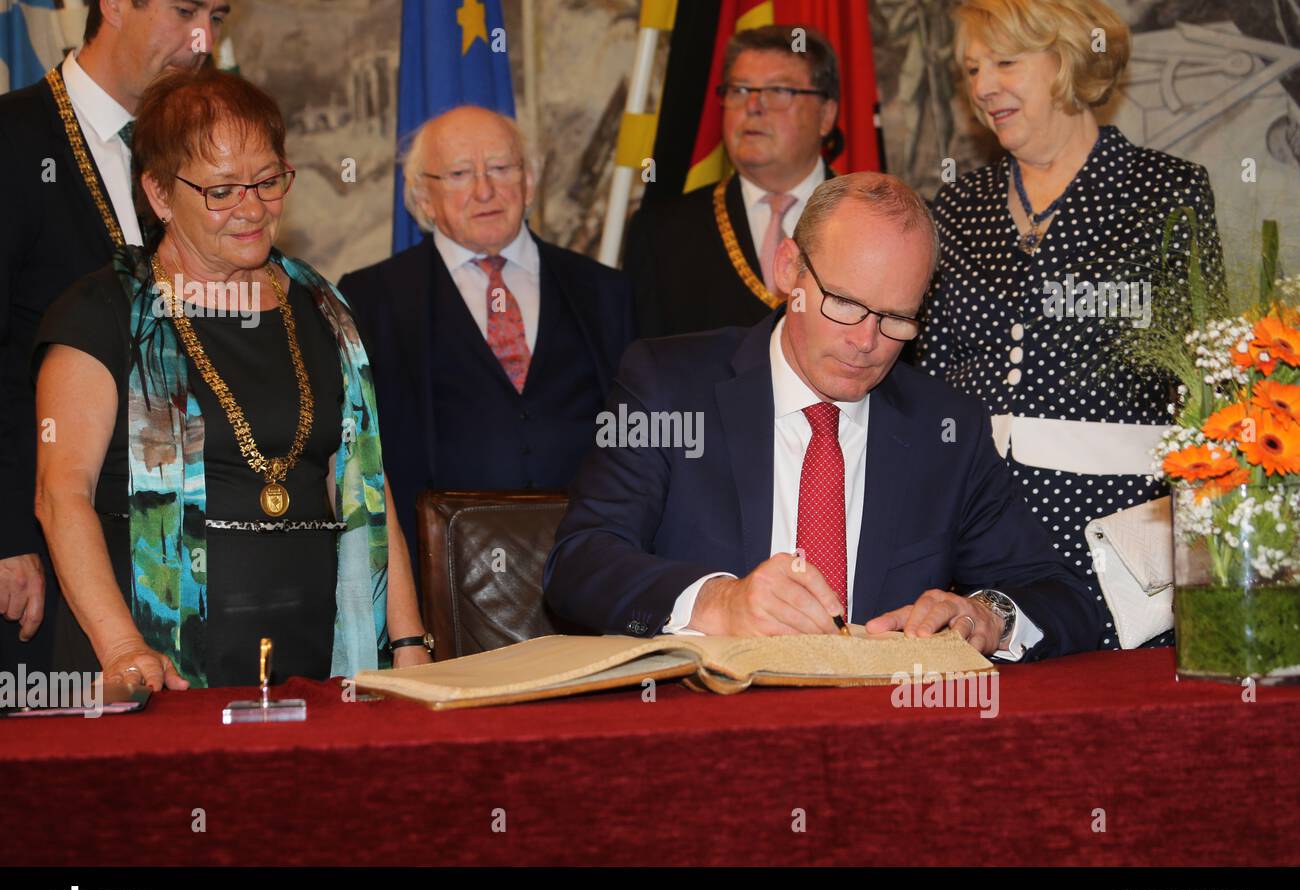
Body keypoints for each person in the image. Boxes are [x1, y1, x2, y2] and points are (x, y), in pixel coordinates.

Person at [545, 173, 1101, 661]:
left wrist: (985, 617)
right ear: (790, 270)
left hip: (883, 732)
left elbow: (1059, 595)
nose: (866, 341)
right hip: (705, 720)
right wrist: (719, 601)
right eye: (844, 303)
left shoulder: (944, 428)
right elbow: (579, 563)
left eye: (896, 320)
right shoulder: (668, 385)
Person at [33, 67, 431, 690]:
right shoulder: (102, 313)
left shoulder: (323, 307)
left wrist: (407, 643)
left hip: (320, 666)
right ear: (160, 195)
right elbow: (62, 497)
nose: (253, 208)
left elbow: (363, 489)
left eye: (269, 181)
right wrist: (121, 649)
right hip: (155, 671)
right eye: (222, 191)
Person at [913, 0, 1226, 649]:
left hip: (1117, 549)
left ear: (1070, 58)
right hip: (973, 540)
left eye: (1005, 62)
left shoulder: (1165, 194)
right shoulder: (955, 207)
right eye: (972, 69)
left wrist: (1200, 558)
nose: (982, 85)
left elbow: (1208, 392)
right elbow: (927, 386)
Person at [0, 0, 229, 674]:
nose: (203, 39)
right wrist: (6, 533)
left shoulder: (206, 145)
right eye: (185, 9)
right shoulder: (12, 140)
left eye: (219, 15)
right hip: (43, 545)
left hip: (194, 548)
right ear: (115, 5)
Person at [338, 106, 635, 569]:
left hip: (593, 568)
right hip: (440, 577)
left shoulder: (605, 291)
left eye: (501, 168)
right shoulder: (370, 300)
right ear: (423, 197)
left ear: (530, 182)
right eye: (459, 173)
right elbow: (358, 466)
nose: (485, 190)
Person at [623, 24, 840, 338]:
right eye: (739, 90)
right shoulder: (662, 234)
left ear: (826, 115)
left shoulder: (875, 224)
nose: (753, 106)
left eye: (778, 91)